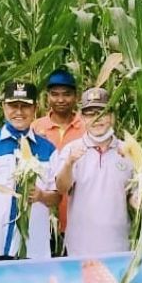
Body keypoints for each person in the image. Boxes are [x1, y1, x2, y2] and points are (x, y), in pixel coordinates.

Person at [0, 81, 60, 261]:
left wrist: (41, 196)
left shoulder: (48, 149)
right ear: (3, 107)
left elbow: (57, 197)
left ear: (35, 109)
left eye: (25, 106)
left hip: (32, 248)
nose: (19, 112)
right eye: (13, 106)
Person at [53, 88, 134, 257]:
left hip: (119, 247)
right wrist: (69, 162)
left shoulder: (127, 151)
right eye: (90, 114)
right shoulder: (72, 149)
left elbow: (133, 196)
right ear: (82, 118)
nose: (96, 119)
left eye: (101, 113)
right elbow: (61, 188)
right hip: (79, 248)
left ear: (111, 116)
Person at [32, 68, 84, 251]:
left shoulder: (87, 128)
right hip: (41, 221)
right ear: (47, 97)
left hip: (77, 220)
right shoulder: (35, 128)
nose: (60, 100)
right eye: (55, 94)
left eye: (66, 94)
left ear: (76, 96)